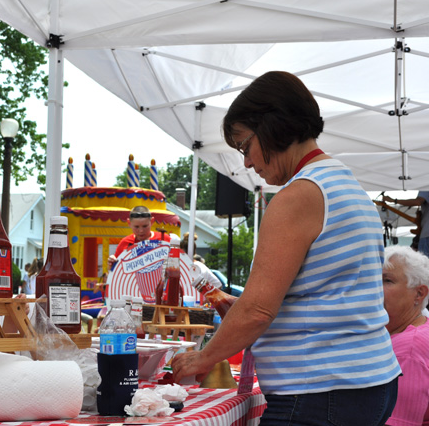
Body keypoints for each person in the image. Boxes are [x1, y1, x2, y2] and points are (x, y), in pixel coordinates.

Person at [171, 71, 400, 425]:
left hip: (319, 389)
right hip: (367, 379)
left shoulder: (298, 196)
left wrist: (201, 359)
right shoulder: (345, 184)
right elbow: (327, 292)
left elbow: (259, 311)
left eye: (245, 146)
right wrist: (252, 307)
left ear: (272, 126)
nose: (246, 161)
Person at [382, 246, 429, 426]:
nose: (374, 288)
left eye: (387, 280)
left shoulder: (408, 349)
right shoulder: (422, 329)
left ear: (419, 293)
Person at [382, 192, 429, 257]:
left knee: (425, 264)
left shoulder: (425, 183)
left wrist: (394, 200)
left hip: (427, 235)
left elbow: (418, 202)